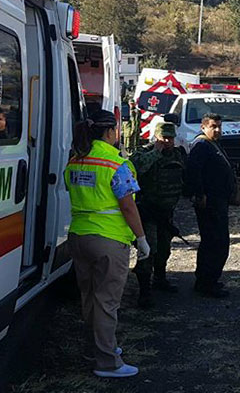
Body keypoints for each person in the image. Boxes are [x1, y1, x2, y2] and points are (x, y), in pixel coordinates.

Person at [64, 109, 149, 378]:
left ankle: (98, 347)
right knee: (107, 302)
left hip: (78, 237)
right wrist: (142, 239)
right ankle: (108, 362)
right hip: (109, 240)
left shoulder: (75, 161)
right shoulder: (115, 163)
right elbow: (128, 207)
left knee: (89, 298)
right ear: (110, 132)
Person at [129, 122, 185, 308]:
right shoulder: (143, 154)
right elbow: (136, 169)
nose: (168, 142)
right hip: (147, 211)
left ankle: (160, 279)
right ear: (156, 137)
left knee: (164, 248)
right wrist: (156, 152)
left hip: (166, 212)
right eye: (164, 138)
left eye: (170, 138)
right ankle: (144, 292)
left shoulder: (177, 154)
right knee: (148, 251)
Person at [186, 113, 236, 298]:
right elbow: (193, 172)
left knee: (215, 242)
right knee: (215, 242)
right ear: (203, 127)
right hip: (210, 202)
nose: (217, 130)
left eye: (219, 127)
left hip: (219, 200)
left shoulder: (212, 144)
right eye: (213, 126)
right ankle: (207, 283)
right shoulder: (201, 145)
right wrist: (200, 194)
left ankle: (208, 280)